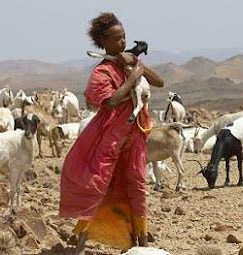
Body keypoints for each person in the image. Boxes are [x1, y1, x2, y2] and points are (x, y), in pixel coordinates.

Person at [59, 12, 164, 255]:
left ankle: (142, 244)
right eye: (116, 39)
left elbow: (159, 82)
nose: (122, 42)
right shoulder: (101, 72)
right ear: (103, 43)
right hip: (109, 137)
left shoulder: (130, 63)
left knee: (137, 184)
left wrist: (138, 66)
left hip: (135, 135)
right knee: (99, 184)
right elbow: (110, 102)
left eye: (124, 37)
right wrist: (132, 78)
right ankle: (80, 239)